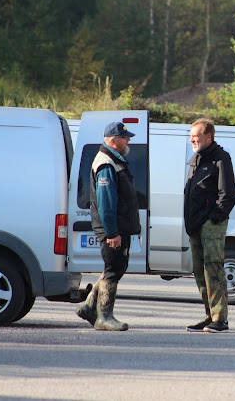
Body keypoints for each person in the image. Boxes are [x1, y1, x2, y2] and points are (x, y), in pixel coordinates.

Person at [75, 122, 141, 331]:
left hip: (119, 226)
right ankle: (104, 317)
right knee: (113, 270)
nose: (128, 140)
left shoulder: (113, 160)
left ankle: (88, 307)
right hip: (114, 229)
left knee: (115, 268)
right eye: (125, 137)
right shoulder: (106, 163)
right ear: (113, 140)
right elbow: (106, 203)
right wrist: (112, 232)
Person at [184, 118, 235, 333]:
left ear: (208, 137)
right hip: (195, 224)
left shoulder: (221, 159)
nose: (192, 140)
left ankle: (220, 319)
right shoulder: (195, 160)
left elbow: (228, 194)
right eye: (190, 137)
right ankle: (209, 316)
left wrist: (215, 218)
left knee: (213, 269)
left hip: (210, 225)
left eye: (195, 137)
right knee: (200, 272)